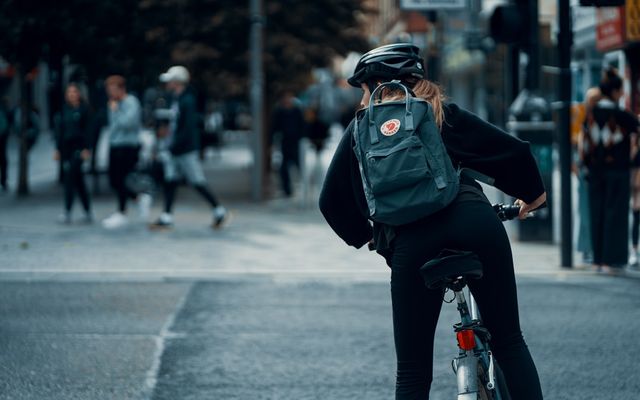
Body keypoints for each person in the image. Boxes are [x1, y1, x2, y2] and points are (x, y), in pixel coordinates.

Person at [319, 43, 545, 399]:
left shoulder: (361, 130)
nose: (363, 101)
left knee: (412, 371)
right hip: (477, 225)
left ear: (375, 86)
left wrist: (378, 239)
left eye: (364, 91)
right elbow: (513, 151)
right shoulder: (440, 113)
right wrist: (533, 196)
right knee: (509, 342)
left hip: (413, 244)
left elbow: (331, 202)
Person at [149, 66, 228, 230]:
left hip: (185, 150)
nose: (167, 84)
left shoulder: (187, 101)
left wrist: (172, 146)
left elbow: (187, 129)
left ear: (177, 81)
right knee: (170, 181)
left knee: (197, 181)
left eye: (170, 80)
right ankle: (166, 216)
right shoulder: (176, 99)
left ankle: (219, 210)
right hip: (175, 149)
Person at [582, 67, 639, 272]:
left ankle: (597, 259)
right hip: (617, 171)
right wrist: (633, 157)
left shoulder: (590, 115)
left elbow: (585, 146)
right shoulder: (623, 116)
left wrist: (588, 164)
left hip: (595, 172)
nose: (623, 94)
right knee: (614, 214)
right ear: (614, 92)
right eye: (621, 90)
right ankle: (611, 259)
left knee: (596, 212)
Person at [101, 75, 152, 229]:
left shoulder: (131, 102)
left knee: (123, 179)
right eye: (108, 90)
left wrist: (116, 110)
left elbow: (127, 124)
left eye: (113, 89)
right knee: (113, 180)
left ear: (121, 88)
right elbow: (113, 126)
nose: (111, 93)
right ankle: (138, 198)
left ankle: (122, 212)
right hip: (115, 144)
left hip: (128, 146)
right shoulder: (113, 103)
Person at [53, 83, 93, 223]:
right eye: (69, 92)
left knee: (70, 178)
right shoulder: (64, 111)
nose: (72, 94)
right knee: (79, 181)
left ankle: (67, 211)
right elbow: (59, 131)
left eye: (74, 92)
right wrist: (57, 149)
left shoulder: (84, 110)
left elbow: (88, 130)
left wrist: (87, 148)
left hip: (79, 149)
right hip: (66, 149)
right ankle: (87, 210)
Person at [271, 91, 305, 197]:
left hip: (296, 143)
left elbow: (302, 125)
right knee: (284, 168)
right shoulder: (279, 111)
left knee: (300, 165)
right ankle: (287, 189)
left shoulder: (296, 110)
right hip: (285, 143)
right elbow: (274, 128)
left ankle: (304, 187)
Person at [0, 97, 10, 192]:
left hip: (2, 138)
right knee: (3, 160)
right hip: (2, 137)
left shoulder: (3, 110)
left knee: (3, 160)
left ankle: (3, 181)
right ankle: (3, 181)